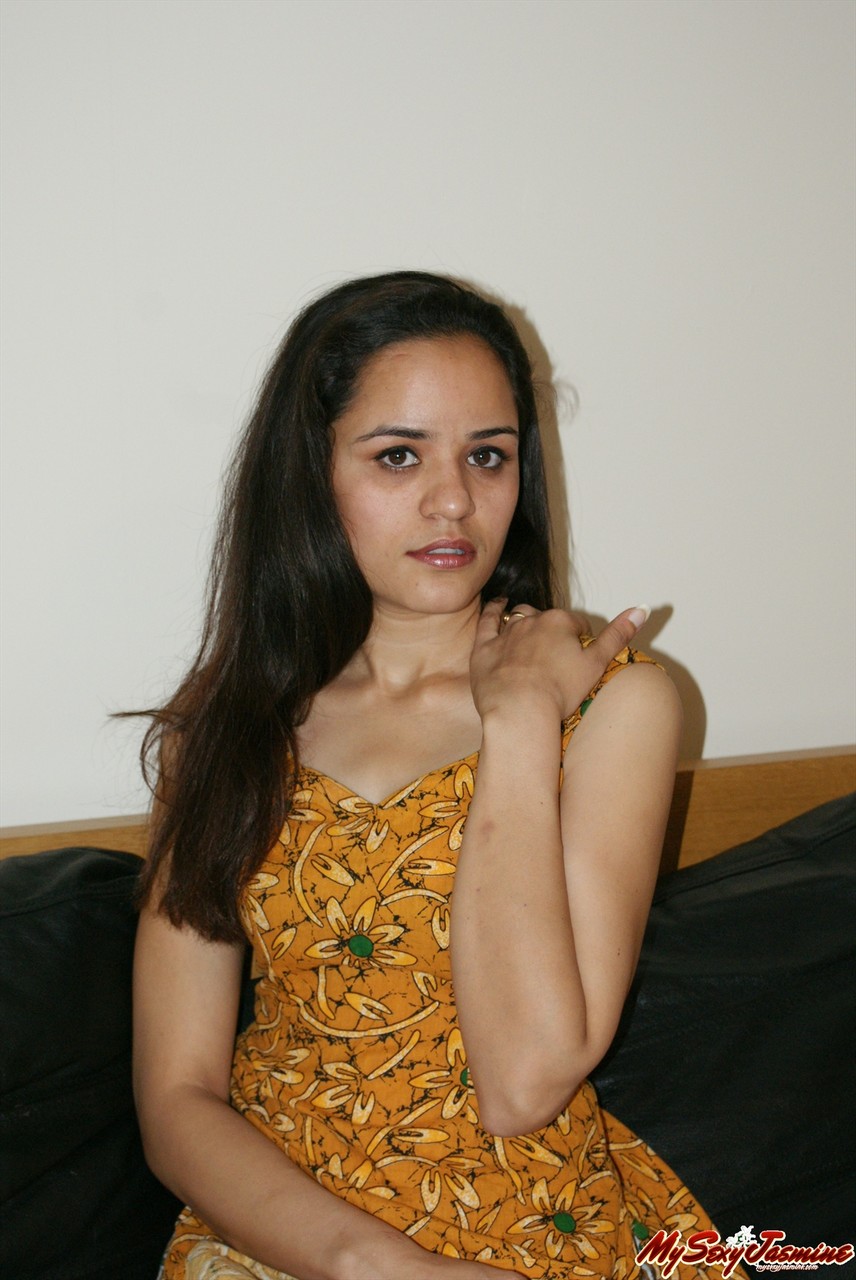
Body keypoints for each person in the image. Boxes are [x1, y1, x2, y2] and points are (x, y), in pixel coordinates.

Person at [133, 272, 726, 1279]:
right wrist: (373, 1266)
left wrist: (520, 720)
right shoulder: (227, 726)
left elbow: (524, 1081)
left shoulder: (613, 704)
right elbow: (176, 1097)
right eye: (398, 455)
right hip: (278, 1234)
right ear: (309, 472)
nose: (453, 500)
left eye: (487, 455)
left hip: (532, 1226)